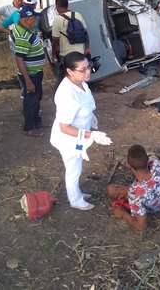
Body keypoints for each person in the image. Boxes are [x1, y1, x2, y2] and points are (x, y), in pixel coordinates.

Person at [50, 51, 112, 211]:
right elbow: (65, 127)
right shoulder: (67, 94)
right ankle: (75, 199)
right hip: (69, 139)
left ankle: (77, 192)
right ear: (70, 71)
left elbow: (85, 105)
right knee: (73, 169)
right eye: (83, 69)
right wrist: (92, 135)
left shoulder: (81, 83)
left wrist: (91, 118)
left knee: (78, 162)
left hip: (79, 138)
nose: (88, 71)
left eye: (88, 67)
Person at [107, 145, 160, 231]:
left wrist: (123, 214)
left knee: (111, 190)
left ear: (128, 165)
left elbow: (141, 226)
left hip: (158, 207)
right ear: (148, 160)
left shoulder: (135, 195)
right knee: (114, 190)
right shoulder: (157, 164)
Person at [12, 6, 46, 137]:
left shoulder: (25, 28)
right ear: (27, 19)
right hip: (30, 75)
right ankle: (30, 128)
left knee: (36, 98)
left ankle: (37, 121)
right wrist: (28, 81)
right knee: (31, 100)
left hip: (35, 72)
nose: (36, 20)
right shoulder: (23, 35)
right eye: (34, 18)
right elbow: (19, 59)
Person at [51, 0, 90, 87]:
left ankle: (62, 97)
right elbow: (86, 33)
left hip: (66, 56)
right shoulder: (78, 15)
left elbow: (55, 41)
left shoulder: (57, 20)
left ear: (57, 5)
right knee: (80, 78)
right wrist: (87, 48)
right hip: (80, 53)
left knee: (63, 80)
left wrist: (53, 55)